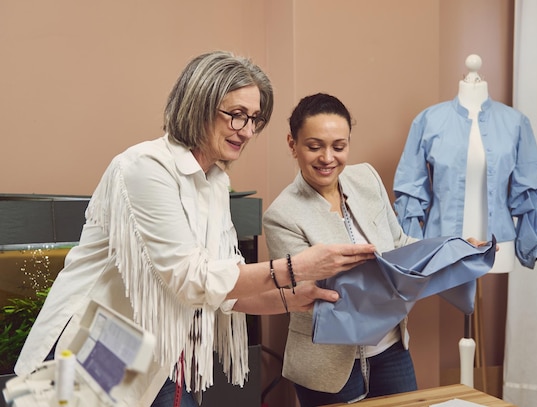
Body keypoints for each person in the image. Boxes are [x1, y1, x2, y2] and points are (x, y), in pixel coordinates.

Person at [13, 52, 376, 407]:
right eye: (236, 115)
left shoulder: (215, 181)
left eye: (254, 119)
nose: (247, 131)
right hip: (92, 349)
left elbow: (224, 288)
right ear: (199, 105)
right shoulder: (145, 167)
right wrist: (294, 269)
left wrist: (289, 298)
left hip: (153, 358)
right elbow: (191, 279)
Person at [261, 93, 419, 406]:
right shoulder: (282, 215)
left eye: (339, 146)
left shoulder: (367, 179)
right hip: (327, 365)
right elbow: (305, 292)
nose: (328, 158)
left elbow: (400, 244)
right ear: (293, 144)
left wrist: (455, 248)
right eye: (314, 146)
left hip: (390, 348)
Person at [393, 55, 537, 270]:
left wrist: (528, 242)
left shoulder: (515, 122)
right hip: (441, 242)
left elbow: (527, 189)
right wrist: (414, 248)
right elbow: (411, 187)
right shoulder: (428, 120)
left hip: (499, 245)